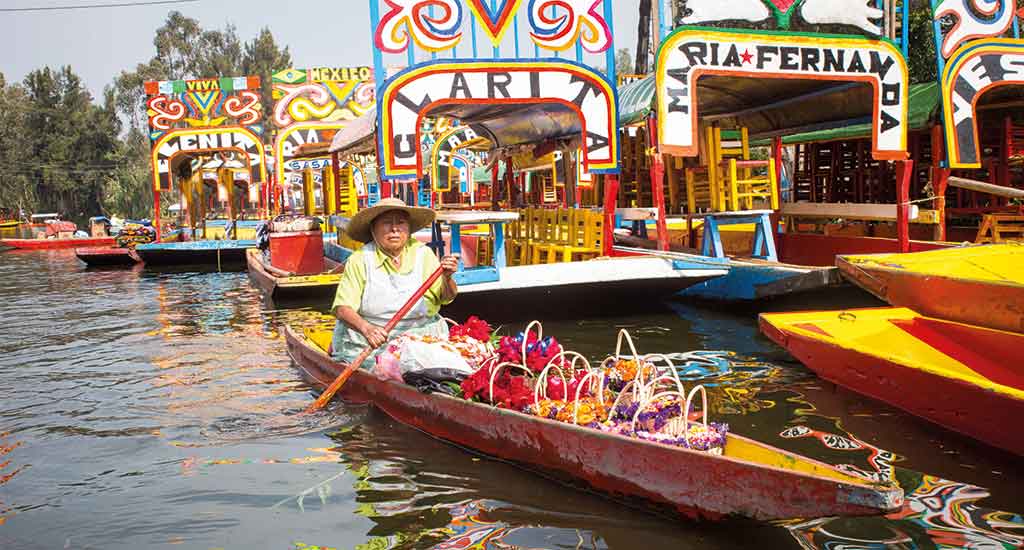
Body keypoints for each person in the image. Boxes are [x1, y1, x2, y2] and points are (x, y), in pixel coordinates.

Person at [331, 198, 459, 367]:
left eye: (401, 223)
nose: (394, 229)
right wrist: (368, 329)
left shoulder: (424, 254)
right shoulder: (360, 259)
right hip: (372, 342)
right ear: (373, 229)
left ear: (409, 229)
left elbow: (446, 297)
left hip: (421, 338)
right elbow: (342, 308)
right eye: (386, 223)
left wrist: (447, 278)